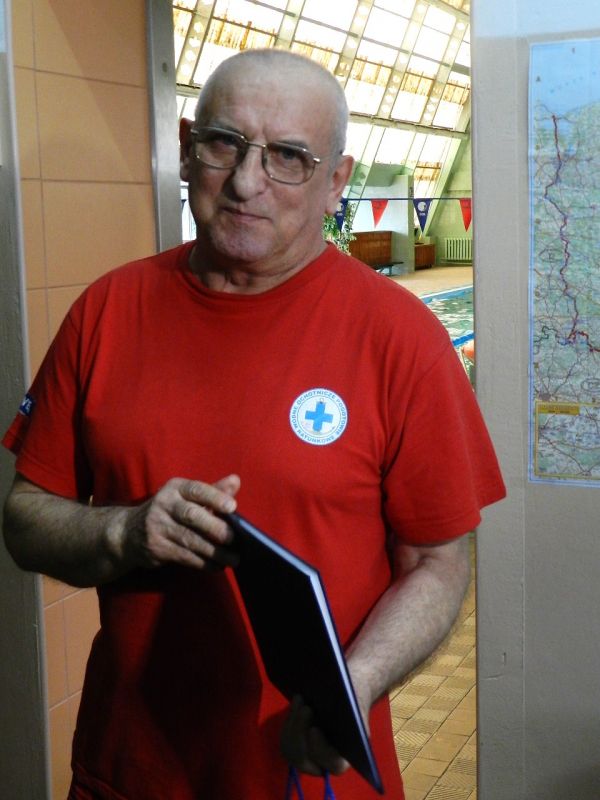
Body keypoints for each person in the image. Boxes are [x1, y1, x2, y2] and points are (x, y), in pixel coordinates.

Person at [2, 49, 505, 800]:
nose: (246, 182)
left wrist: (356, 684)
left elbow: (437, 563)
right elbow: (23, 517)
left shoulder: (402, 339)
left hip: (310, 776)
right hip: (131, 767)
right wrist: (124, 532)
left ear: (336, 181)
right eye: (224, 143)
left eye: (289, 157)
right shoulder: (106, 312)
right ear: (186, 148)